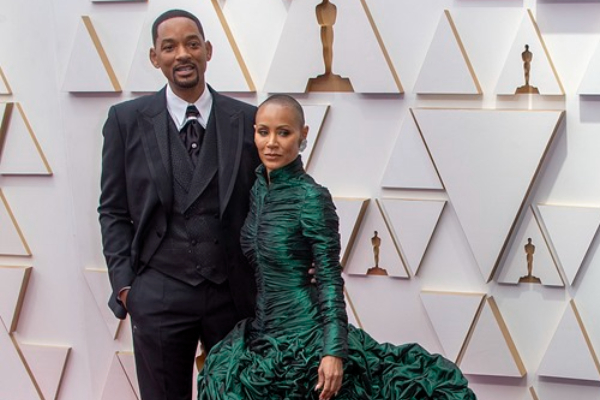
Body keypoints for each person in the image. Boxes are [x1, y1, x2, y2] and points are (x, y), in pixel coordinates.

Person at [197, 94, 477, 400]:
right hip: (263, 337)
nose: (272, 143)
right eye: (263, 132)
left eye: (284, 132)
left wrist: (333, 352)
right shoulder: (257, 191)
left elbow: (330, 279)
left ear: (303, 135)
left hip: (307, 338)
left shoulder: (312, 198)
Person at [98, 9, 260, 400]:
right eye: (168, 47)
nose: (181, 55)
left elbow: (270, 204)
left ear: (208, 51)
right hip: (158, 293)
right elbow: (113, 210)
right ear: (155, 58)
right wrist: (126, 287)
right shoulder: (125, 121)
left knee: (239, 393)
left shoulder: (249, 120)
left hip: (232, 295)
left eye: (191, 44)